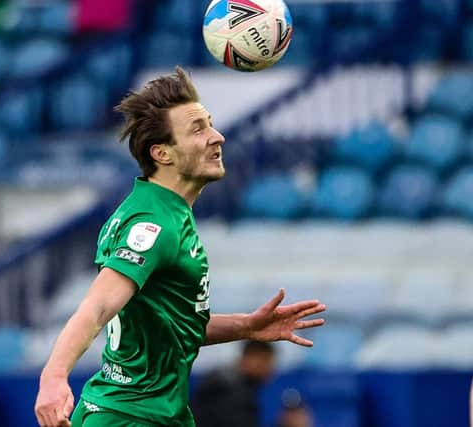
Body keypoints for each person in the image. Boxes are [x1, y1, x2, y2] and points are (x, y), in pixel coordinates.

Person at [34, 66, 326, 427]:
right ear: (163, 154)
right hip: (130, 417)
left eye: (211, 124)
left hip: (158, 415)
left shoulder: (166, 213)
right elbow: (96, 307)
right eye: (198, 129)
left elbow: (168, 326)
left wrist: (246, 326)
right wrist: (53, 377)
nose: (217, 137)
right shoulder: (152, 226)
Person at [191, 341, 276, 427]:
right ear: (248, 357)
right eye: (265, 361)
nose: (269, 368)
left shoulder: (234, 384)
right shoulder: (229, 390)